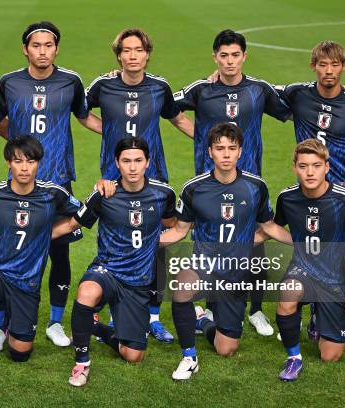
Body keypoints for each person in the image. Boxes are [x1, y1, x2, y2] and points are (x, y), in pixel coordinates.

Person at [0, 21, 102, 349]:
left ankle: (55, 321)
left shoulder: (70, 82)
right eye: (36, 45)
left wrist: (127, 137)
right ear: (25, 49)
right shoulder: (9, 83)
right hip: (18, 179)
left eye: (48, 45)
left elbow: (85, 118)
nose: (42, 51)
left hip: (56, 180)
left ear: (56, 48)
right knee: (3, 249)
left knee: (59, 250)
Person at [173, 29, 292, 335]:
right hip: (209, 181)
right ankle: (214, 307)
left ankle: (254, 310)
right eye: (223, 55)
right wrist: (198, 137)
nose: (229, 61)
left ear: (244, 56)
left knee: (255, 243)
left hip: (250, 182)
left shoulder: (259, 89)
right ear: (215, 57)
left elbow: (295, 104)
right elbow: (165, 104)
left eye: (235, 55)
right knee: (212, 243)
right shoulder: (201, 89)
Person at [85, 27, 193, 343]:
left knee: (160, 243)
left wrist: (214, 144)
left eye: (139, 50)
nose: (133, 56)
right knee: (114, 236)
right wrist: (110, 132)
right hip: (114, 176)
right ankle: (102, 296)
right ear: (118, 55)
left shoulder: (159, 87)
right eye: (127, 51)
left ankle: (153, 317)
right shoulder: (103, 85)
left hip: (154, 176)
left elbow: (178, 119)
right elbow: (81, 113)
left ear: (147, 54)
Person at [159, 123, 292, 380]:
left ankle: (201, 321)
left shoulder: (256, 187)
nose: (226, 154)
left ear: (240, 151)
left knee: (226, 348)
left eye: (232, 148)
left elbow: (269, 227)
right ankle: (189, 357)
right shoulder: (194, 188)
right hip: (204, 265)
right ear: (210, 152)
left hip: (236, 272)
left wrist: (303, 243)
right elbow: (179, 230)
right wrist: (149, 244)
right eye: (220, 148)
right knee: (182, 286)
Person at [276, 41, 345, 345]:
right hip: (312, 188)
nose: (329, 71)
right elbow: (259, 90)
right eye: (323, 65)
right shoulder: (297, 93)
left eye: (334, 65)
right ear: (314, 67)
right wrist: (220, 76)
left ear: (343, 67)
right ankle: (315, 311)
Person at [50, 137, 177, 387]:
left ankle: (97, 329)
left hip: (138, 281)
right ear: (117, 164)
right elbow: (74, 223)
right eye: (126, 161)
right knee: (87, 291)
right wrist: (38, 235)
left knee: (134, 356)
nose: (132, 167)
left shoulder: (163, 195)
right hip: (107, 270)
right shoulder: (104, 193)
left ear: (148, 163)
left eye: (138, 161)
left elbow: (174, 224)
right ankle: (81, 363)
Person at [0, 136, 81, 390]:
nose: (24, 168)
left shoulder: (52, 194)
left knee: (20, 352)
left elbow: (78, 215)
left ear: (38, 164)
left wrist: (46, 233)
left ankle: (8, 326)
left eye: (30, 161)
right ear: (8, 163)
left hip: (27, 281)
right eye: (18, 161)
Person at [265, 139, 345, 381]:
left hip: (336, 277)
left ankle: (317, 315)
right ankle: (294, 358)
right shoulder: (287, 197)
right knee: (288, 293)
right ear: (294, 167)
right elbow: (271, 226)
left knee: (330, 355)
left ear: (327, 166)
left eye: (315, 165)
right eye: (303, 166)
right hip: (303, 269)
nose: (309, 172)